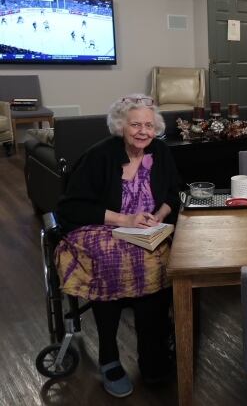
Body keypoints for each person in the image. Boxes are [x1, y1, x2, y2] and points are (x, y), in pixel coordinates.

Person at [54, 94, 181, 397]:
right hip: (103, 229)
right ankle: (109, 357)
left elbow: (173, 195)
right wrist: (125, 218)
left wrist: (157, 216)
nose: (142, 131)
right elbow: (71, 208)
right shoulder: (100, 156)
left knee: (157, 258)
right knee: (112, 260)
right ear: (120, 126)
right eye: (135, 124)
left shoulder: (161, 152)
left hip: (146, 231)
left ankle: (153, 352)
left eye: (149, 125)